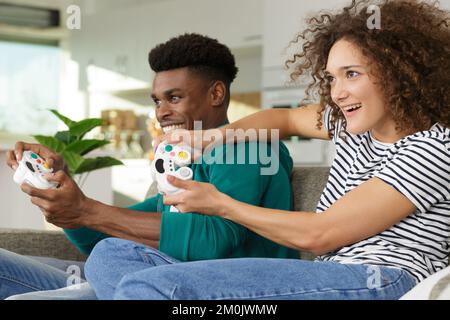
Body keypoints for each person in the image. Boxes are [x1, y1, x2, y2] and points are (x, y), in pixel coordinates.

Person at [84, 0, 450, 299]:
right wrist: (207, 138)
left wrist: (220, 205)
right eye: (332, 78)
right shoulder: (348, 124)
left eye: (352, 74)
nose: (337, 92)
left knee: (150, 286)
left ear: (398, 73)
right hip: (329, 276)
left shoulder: (432, 148)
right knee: (111, 256)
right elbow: (284, 120)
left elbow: (319, 234)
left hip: (382, 281)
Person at [3, 33, 298, 300]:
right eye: (157, 101)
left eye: (174, 98)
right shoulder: (185, 163)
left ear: (216, 94)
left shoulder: (248, 146)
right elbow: (99, 236)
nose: (162, 112)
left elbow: (214, 241)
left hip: (224, 291)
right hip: (155, 281)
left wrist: (85, 210)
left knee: (109, 257)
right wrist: (59, 187)